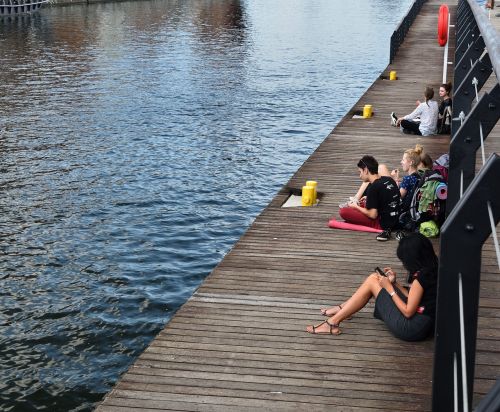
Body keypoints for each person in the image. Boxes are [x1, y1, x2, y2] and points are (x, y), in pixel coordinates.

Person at [306, 232, 437, 342]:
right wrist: (394, 283)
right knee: (375, 278)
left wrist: (390, 290)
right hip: (424, 324)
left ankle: (333, 322)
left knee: (372, 281)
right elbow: (413, 297)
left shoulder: (420, 279)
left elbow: (408, 312)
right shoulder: (433, 267)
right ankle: (343, 310)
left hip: (411, 328)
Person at [338, 156, 400, 241]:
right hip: (395, 219)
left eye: (360, 172)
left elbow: (373, 215)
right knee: (364, 203)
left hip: (382, 223)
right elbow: (387, 196)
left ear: (366, 170)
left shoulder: (373, 187)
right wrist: (369, 197)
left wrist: (356, 207)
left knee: (343, 211)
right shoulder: (389, 179)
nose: (360, 176)